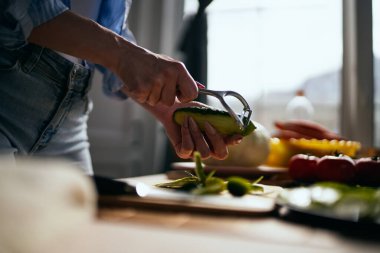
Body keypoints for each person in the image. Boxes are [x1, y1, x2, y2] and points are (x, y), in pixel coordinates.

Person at [0, 0, 242, 174]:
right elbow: (19, 7)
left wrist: (170, 110)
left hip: (68, 122)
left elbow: (110, 36)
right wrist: (125, 54)